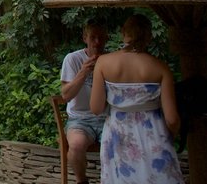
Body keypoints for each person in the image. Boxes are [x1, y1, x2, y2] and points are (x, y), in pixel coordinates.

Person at [90, 14, 183, 184]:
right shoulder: (161, 68)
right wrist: (172, 134)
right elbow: (172, 118)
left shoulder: (103, 63)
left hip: (117, 135)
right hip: (154, 134)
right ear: (149, 36)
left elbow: (96, 108)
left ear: (123, 32)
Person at [61, 19, 109, 184]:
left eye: (101, 38)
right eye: (93, 37)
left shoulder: (111, 59)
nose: (97, 42)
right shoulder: (72, 59)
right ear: (85, 38)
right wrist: (83, 72)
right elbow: (66, 95)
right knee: (75, 146)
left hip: (108, 118)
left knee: (118, 145)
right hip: (80, 119)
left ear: (106, 39)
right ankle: (82, 181)